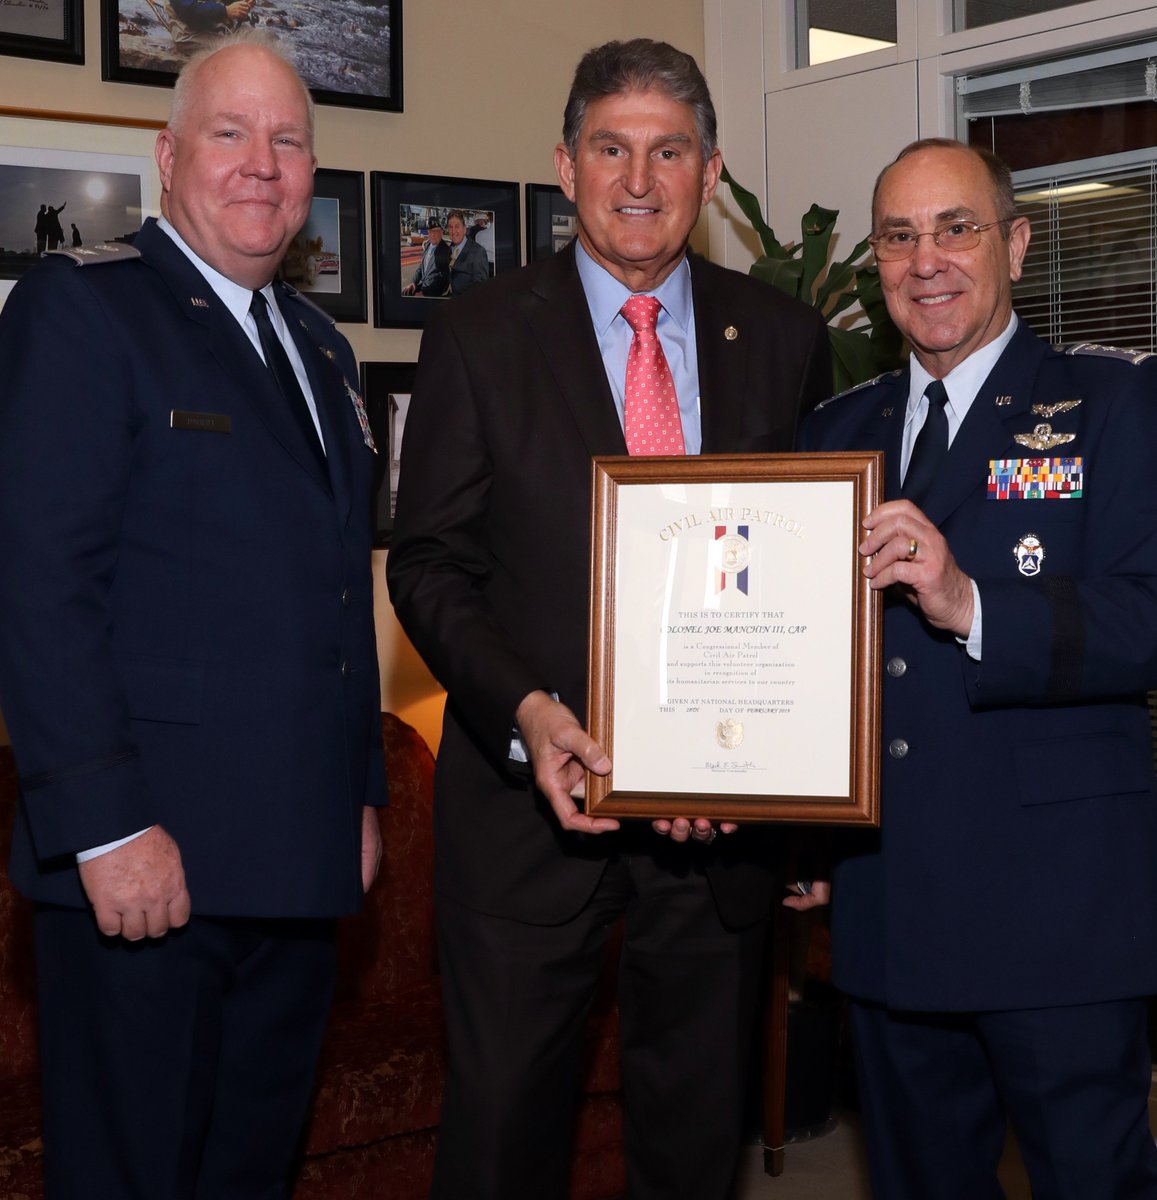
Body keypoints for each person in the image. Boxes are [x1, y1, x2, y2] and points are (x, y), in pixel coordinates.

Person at [387, 37, 831, 1200]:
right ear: (565, 163)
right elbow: (428, 566)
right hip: (527, 821)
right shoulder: (478, 335)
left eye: (668, 151)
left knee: (691, 1150)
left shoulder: (780, 341)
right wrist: (528, 713)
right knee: (500, 1144)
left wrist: (774, 785)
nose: (639, 180)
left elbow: (805, 580)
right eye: (611, 149)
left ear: (709, 171)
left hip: (718, 828)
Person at [0, 33, 388, 1199]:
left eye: (287, 140)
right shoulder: (85, 308)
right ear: (169, 158)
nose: (261, 163)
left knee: (249, 1173)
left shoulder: (320, 348)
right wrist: (105, 827)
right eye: (230, 133)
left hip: (297, 864)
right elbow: (38, 583)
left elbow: (337, 596)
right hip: (145, 866)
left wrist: (358, 793)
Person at [798, 137, 1157, 1199]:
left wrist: (970, 605)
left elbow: (1146, 614)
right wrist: (796, 827)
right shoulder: (831, 434)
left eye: (955, 228)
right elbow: (810, 656)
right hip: (888, 899)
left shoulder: (1114, 402)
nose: (926, 261)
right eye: (898, 237)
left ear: (1014, 242)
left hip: (1057, 906)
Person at [401, 216, 450, 296]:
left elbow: (443, 279)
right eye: (430, 231)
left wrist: (424, 294)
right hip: (423, 285)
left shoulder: (446, 251)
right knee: (403, 293)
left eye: (436, 231)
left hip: (432, 292)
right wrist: (413, 282)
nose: (433, 234)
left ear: (441, 232)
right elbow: (421, 267)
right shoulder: (427, 245)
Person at [445, 208, 490, 295]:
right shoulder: (451, 248)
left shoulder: (478, 252)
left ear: (465, 229)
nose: (453, 231)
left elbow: (481, 289)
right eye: (450, 227)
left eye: (457, 226)